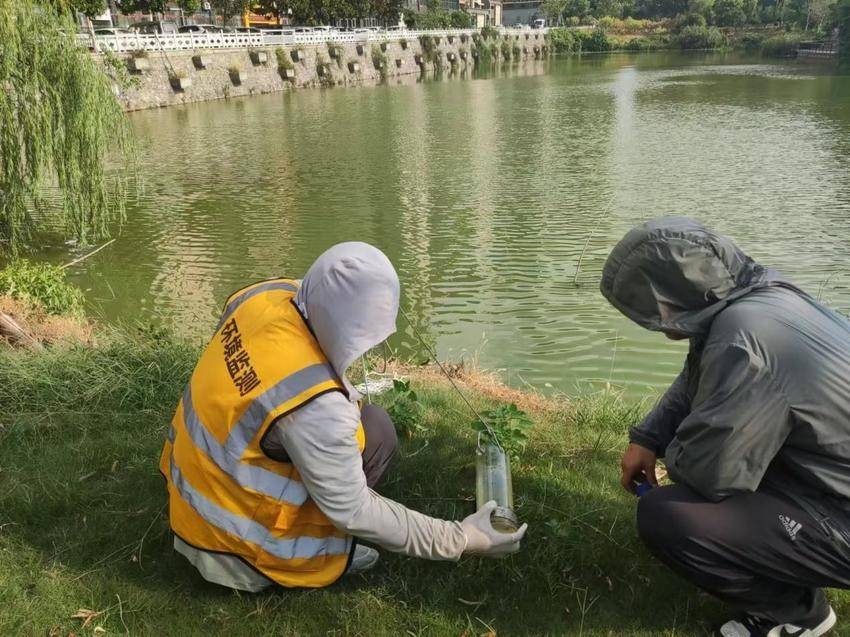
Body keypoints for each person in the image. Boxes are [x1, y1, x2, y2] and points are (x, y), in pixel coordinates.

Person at [160, 242, 527, 591]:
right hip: (235, 548)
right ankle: (309, 551)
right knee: (371, 445)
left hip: (191, 498)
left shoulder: (263, 296)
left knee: (372, 427)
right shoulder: (315, 405)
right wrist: (463, 538)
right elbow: (355, 509)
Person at [600, 217, 850, 637]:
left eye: (653, 312)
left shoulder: (743, 339)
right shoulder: (762, 296)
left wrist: (674, 458)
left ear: (674, 299)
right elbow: (698, 372)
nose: (657, 325)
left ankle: (797, 615)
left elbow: (711, 473)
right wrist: (648, 437)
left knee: (670, 516)